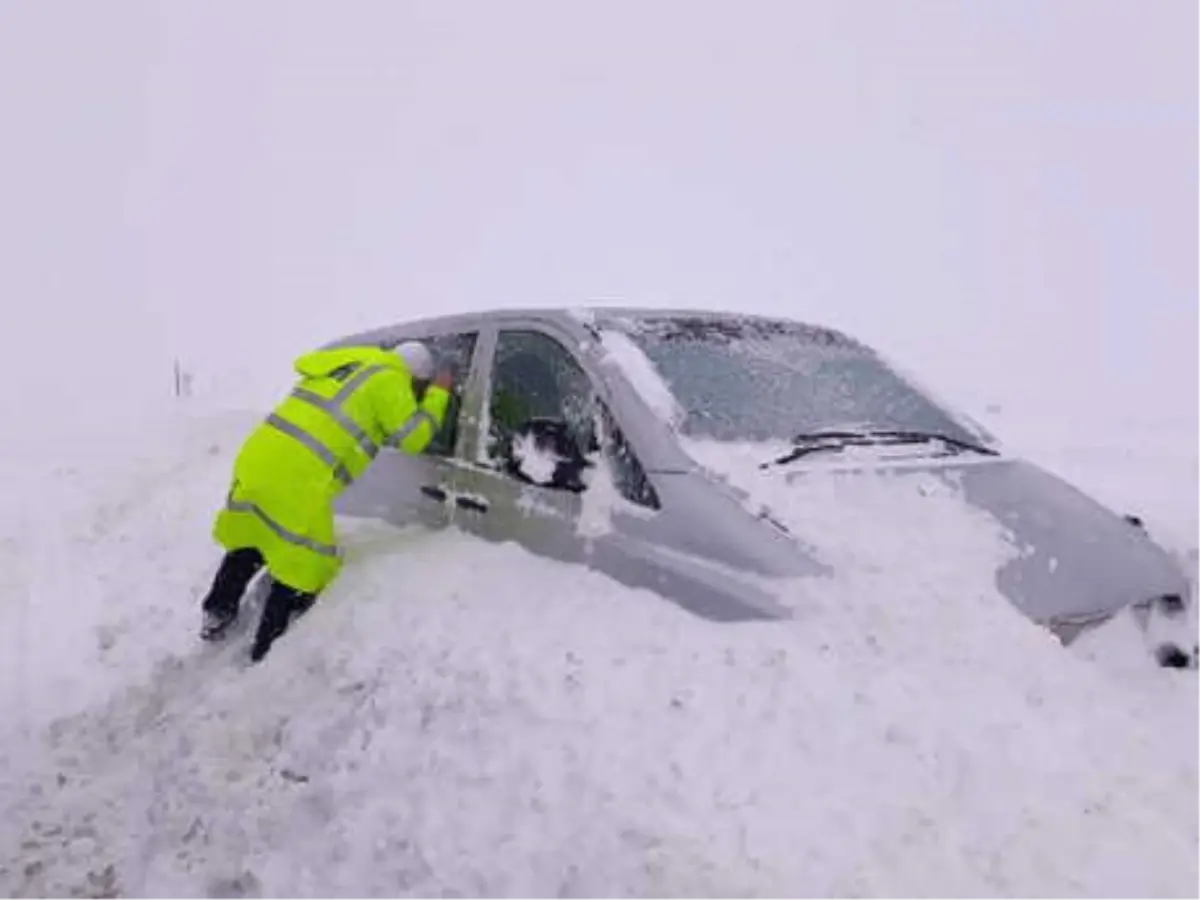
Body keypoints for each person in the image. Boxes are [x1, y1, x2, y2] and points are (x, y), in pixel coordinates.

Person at [199, 339, 454, 662]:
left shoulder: (347, 366)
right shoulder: (389, 379)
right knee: (307, 564)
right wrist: (440, 393)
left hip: (260, 459)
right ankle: (267, 650)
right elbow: (414, 437)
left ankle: (217, 612)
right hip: (299, 477)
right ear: (416, 378)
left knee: (254, 533)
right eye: (419, 387)